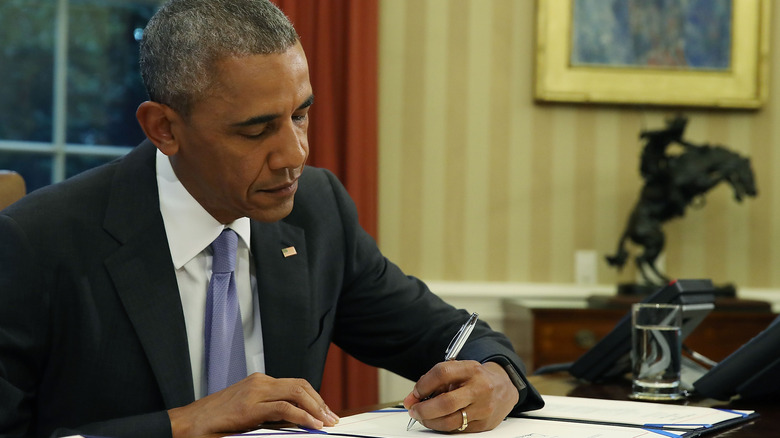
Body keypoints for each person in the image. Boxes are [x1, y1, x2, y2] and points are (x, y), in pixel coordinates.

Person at [0, 1, 544, 437]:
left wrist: (499, 379)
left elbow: (453, 338)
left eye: (300, 114)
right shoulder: (38, 241)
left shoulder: (317, 208)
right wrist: (182, 425)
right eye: (257, 131)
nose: (294, 154)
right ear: (164, 128)